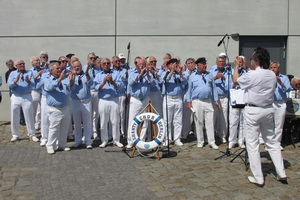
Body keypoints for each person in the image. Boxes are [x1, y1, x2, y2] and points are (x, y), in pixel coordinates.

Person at [233, 47, 287, 187]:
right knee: (272, 142)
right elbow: (255, 76)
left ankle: (259, 177)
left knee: (252, 144)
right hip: (268, 109)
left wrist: (236, 68)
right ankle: (281, 172)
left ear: (256, 60)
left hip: (253, 110)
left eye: (252, 58)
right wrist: (245, 67)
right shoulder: (270, 74)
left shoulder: (253, 75)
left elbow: (236, 81)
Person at [186, 57, 220, 149]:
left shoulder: (209, 75)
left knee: (210, 121)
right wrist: (188, 102)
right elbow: (189, 90)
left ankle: (211, 141)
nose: (205, 66)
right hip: (197, 101)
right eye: (203, 64)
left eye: (205, 64)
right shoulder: (192, 76)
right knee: (199, 122)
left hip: (208, 101)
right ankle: (200, 141)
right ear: (198, 65)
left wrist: (216, 100)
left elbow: (214, 88)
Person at [44, 61, 74, 154]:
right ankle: (50, 145)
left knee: (64, 128)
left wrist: (72, 80)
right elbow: (50, 87)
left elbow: (71, 88)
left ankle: (62, 144)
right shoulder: (48, 79)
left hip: (65, 107)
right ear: (51, 70)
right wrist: (60, 78)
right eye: (57, 69)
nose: (59, 70)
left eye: (60, 69)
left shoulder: (64, 79)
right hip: (54, 109)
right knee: (54, 128)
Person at [94, 58, 123, 148]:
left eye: (108, 63)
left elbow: (121, 85)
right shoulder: (98, 75)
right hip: (103, 100)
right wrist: (103, 83)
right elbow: (95, 87)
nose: (106, 65)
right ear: (101, 65)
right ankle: (104, 140)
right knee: (103, 121)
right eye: (104, 63)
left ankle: (116, 140)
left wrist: (112, 82)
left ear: (110, 64)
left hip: (114, 99)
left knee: (115, 121)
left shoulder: (116, 73)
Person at [7, 59, 39, 142]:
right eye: (20, 64)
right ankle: (15, 134)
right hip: (16, 96)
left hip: (27, 96)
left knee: (29, 115)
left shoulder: (29, 72)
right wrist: (15, 81)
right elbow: (9, 84)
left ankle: (32, 134)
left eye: (23, 64)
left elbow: (33, 85)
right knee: (14, 115)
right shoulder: (12, 73)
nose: (22, 65)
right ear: (16, 66)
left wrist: (28, 81)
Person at [126, 57, 154, 148]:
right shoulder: (132, 73)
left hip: (145, 99)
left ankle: (141, 140)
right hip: (135, 99)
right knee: (133, 121)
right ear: (136, 65)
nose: (142, 66)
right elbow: (130, 83)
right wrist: (140, 75)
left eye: (143, 64)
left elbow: (153, 83)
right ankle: (131, 141)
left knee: (145, 121)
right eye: (140, 64)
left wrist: (148, 75)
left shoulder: (147, 74)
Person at [161, 58, 187, 146]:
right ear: (169, 65)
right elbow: (164, 81)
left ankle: (177, 138)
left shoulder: (180, 74)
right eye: (172, 64)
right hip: (168, 98)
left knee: (178, 120)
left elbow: (185, 83)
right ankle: (167, 138)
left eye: (176, 64)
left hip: (178, 98)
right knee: (167, 120)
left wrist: (180, 73)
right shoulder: (165, 73)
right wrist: (171, 72)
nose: (174, 66)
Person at [70, 60, 93, 149]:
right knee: (77, 123)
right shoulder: (71, 76)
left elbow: (91, 84)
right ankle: (78, 141)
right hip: (75, 101)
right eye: (75, 66)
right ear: (72, 67)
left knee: (87, 122)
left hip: (86, 101)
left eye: (78, 66)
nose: (77, 68)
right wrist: (72, 78)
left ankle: (88, 141)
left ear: (81, 66)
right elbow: (71, 88)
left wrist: (87, 74)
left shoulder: (86, 75)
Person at [270, 61, 291, 150]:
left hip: (280, 102)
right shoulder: (267, 77)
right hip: (270, 102)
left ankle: (277, 143)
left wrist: (280, 83)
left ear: (278, 68)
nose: (272, 69)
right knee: (269, 124)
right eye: (271, 67)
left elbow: (288, 89)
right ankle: (269, 143)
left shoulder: (284, 77)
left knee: (279, 124)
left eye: (274, 67)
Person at [228, 56, 248, 149]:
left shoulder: (246, 72)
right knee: (233, 122)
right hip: (235, 98)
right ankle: (232, 140)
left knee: (243, 122)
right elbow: (231, 84)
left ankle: (241, 140)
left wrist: (245, 66)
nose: (240, 64)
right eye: (238, 62)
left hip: (244, 98)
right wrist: (236, 69)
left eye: (241, 62)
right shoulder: (231, 72)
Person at [210, 55, 231, 143]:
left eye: (223, 62)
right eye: (219, 61)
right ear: (216, 63)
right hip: (214, 97)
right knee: (213, 118)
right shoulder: (212, 71)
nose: (221, 63)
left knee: (223, 118)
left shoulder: (229, 72)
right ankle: (212, 136)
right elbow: (208, 82)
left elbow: (231, 84)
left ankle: (223, 136)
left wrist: (225, 78)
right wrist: (216, 77)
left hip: (224, 97)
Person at [83, 52, 101, 140]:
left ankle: (95, 132)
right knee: (88, 113)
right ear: (87, 59)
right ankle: (87, 132)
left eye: (94, 58)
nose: (93, 60)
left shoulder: (98, 69)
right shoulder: (83, 68)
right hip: (88, 92)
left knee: (96, 113)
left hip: (96, 91)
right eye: (91, 58)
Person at [112, 56, 128, 137]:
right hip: (113, 95)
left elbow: (125, 83)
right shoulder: (110, 71)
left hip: (121, 94)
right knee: (114, 115)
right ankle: (113, 133)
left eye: (119, 61)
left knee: (122, 115)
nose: (118, 62)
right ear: (113, 63)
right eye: (116, 61)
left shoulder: (124, 71)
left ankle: (122, 132)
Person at [29, 56, 45, 131]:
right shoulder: (30, 71)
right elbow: (29, 80)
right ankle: (31, 129)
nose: (38, 62)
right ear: (32, 62)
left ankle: (42, 126)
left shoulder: (43, 69)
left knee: (43, 110)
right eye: (36, 61)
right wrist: (37, 74)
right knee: (33, 110)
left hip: (43, 91)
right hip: (34, 91)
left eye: (38, 60)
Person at [182, 58, 196, 140]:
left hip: (196, 97)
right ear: (186, 65)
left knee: (196, 117)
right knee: (186, 117)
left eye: (192, 63)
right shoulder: (184, 74)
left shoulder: (198, 73)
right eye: (189, 63)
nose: (191, 64)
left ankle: (197, 134)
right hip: (187, 96)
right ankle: (184, 134)